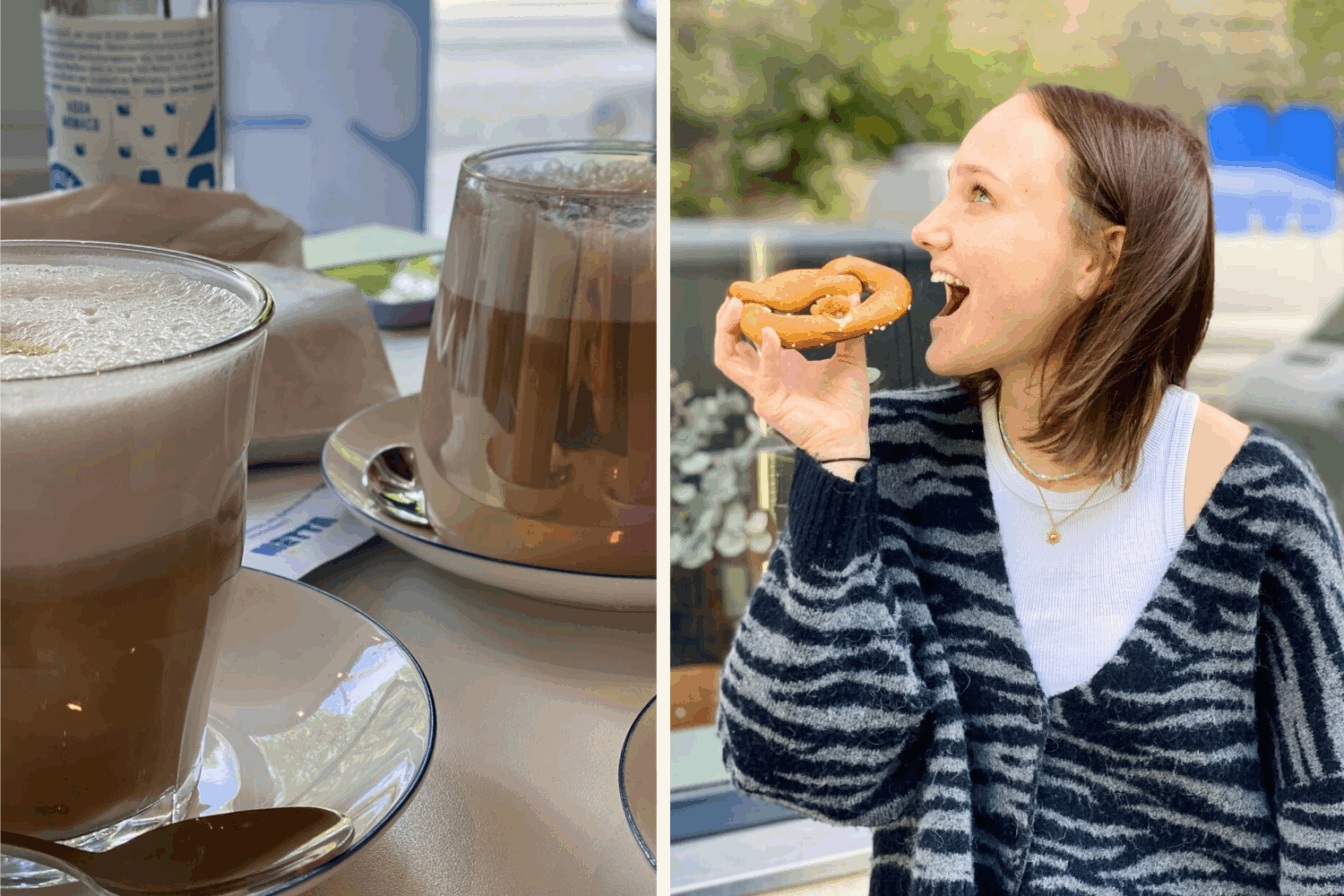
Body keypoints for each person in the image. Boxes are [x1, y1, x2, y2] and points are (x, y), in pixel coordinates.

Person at [713, 83, 1344, 896]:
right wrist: (835, 462)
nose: (927, 228)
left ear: (1100, 259)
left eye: (980, 195)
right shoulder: (889, 456)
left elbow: (1328, 823)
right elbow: (797, 767)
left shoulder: (1262, 504)